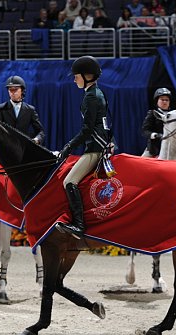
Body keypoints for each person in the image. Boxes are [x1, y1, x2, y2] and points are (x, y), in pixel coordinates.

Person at [56, 56, 110, 238]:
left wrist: (69, 146)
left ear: (86, 76)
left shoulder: (91, 97)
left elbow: (87, 130)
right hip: (100, 144)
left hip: (95, 148)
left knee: (69, 182)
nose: (74, 79)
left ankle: (79, 225)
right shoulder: (97, 93)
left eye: (76, 76)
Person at [0, 76, 45, 145]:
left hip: (23, 148)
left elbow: (40, 131)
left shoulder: (30, 110)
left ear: (22, 91)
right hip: (5, 148)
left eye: (15, 89)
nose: (12, 92)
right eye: (10, 90)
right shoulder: (0, 109)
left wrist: (36, 140)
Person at [141, 87, 172, 157]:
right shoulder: (152, 114)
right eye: (162, 99)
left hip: (169, 149)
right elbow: (144, 131)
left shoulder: (173, 115)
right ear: (157, 101)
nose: (164, 102)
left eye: (167, 100)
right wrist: (155, 135)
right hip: (154, 150)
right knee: (140, 165)